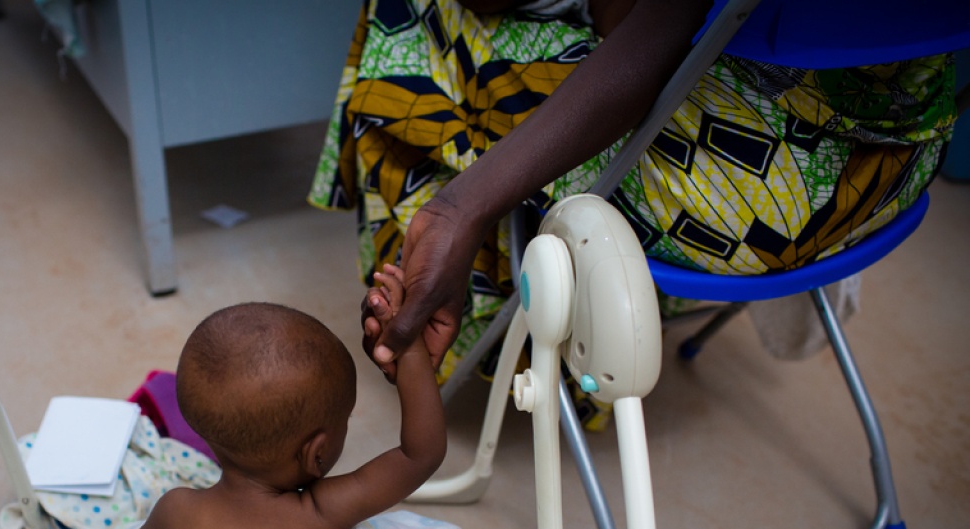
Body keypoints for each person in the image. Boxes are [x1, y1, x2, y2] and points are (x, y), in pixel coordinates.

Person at [308, 0, 957, 382]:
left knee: (415, 8)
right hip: (890, 163)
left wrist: (460, 205)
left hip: (740, 195)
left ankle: (466, 326)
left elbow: (646, 22)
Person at [105, 272, 445, 529]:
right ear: (317, 453)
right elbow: (420, 454)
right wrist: (411, 349)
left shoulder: (174, 511)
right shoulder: (321, 512)